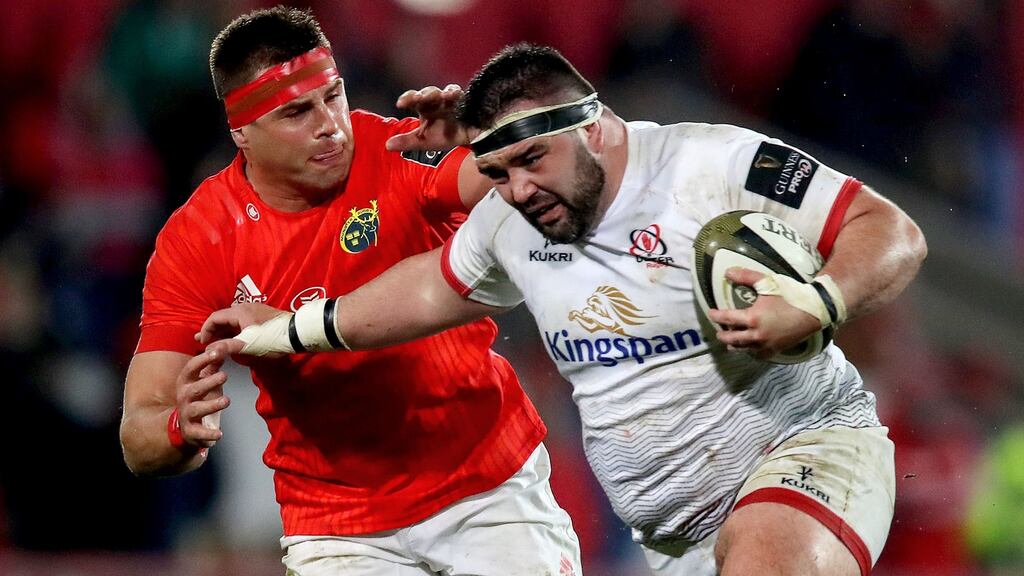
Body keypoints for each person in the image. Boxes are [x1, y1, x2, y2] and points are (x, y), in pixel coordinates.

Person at [200, 44, 927, 575]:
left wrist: (817, 300)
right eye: (497, 172)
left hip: (804, 452)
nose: (517, 189)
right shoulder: (512, 218)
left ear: (596, 126)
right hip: (673, 537)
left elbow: (892, 230)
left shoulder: (712, 164)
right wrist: (289, 329)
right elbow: (424, 290)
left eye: (532, 160)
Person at [119, 10, 583, 576]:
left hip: (486, 486)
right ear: (241, 132)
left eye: (333, 96)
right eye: (297, 112)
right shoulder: (199, 239)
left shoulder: (393, 148)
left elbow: (532, 176)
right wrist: (179, 427)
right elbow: (139, 433)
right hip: (338, 524)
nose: (331, 126)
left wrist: (488, 137)